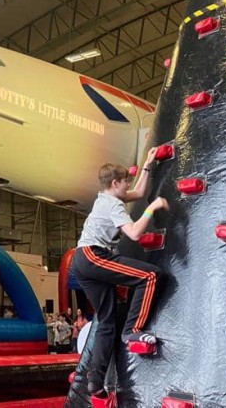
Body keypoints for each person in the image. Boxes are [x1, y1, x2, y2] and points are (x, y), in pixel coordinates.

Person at [71, 148, 169, 407]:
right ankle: (133, 331)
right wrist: (154, 207)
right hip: (93, 256)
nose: (128, 184)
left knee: (106, 321)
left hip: (82, 259)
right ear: (115, 184)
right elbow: (136, 234)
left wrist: (147, 165)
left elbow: (136, 193)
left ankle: (95, 380)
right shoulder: (112, 204)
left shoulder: (106, 197)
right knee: (149, 275)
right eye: (125, 180)